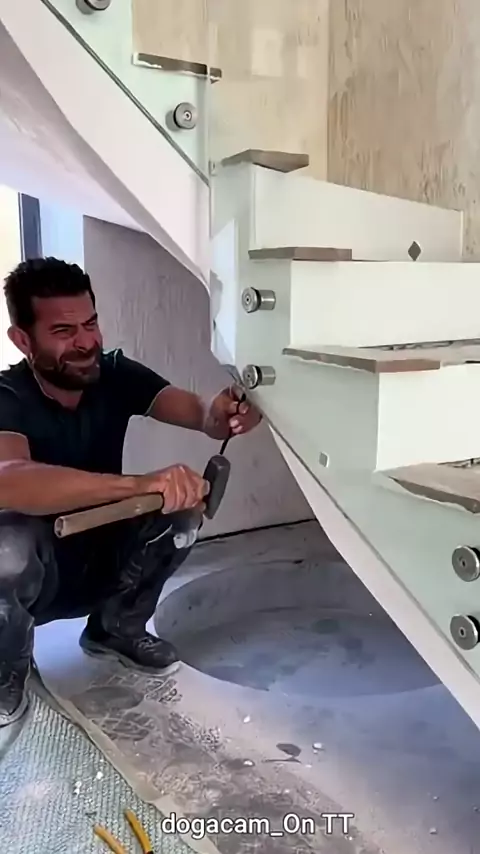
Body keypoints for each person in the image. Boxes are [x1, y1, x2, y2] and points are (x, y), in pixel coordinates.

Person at [0, 257, 262, 727]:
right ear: (22, 339)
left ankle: (115, 628)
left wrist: (226, 413)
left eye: (90, 324)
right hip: (38, 573)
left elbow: (202, 413)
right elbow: (9, 478)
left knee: (181, 514)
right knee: (5, 550)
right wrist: (139, 484)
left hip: (101, 554)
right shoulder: (7, 395)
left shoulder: (114, 373)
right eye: (63, 331)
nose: (85, 342)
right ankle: (6, 676)